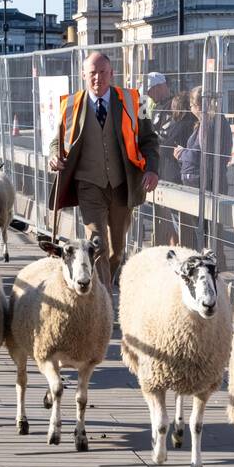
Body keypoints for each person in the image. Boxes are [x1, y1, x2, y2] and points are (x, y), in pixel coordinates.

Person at [47, 51, 159, 292]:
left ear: (112, 73)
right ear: (83, 75)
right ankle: (104, 300)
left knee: (117, 250)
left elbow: (150, 139)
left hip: (122, 185)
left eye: (102, 72)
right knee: (98, 245)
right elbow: (57, 140)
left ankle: (104, 281)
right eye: (92, 73)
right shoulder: (70, 105)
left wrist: (152, 169)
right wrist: (54, 155)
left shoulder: (136, 101)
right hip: (88, 185)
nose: (97, 78)